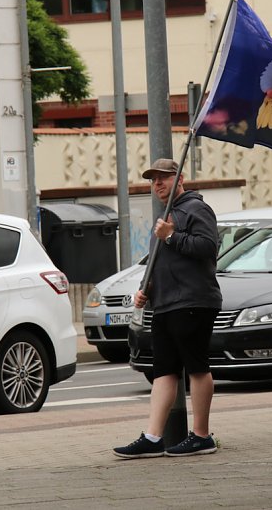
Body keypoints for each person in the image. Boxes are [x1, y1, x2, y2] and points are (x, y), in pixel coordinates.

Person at [113, 158, 222, 458]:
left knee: (197, 367)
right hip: (165, 304)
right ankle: (152, 437)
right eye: (153, 179)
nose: (158, 184)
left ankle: (201, 436)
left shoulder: (196, 209)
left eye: (164, 178)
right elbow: (160, 260)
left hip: (193, 301)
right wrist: (146, 289)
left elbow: (208, 248)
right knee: (163, 372)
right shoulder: (165, 215)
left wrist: (171, 236)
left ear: (180, 178)